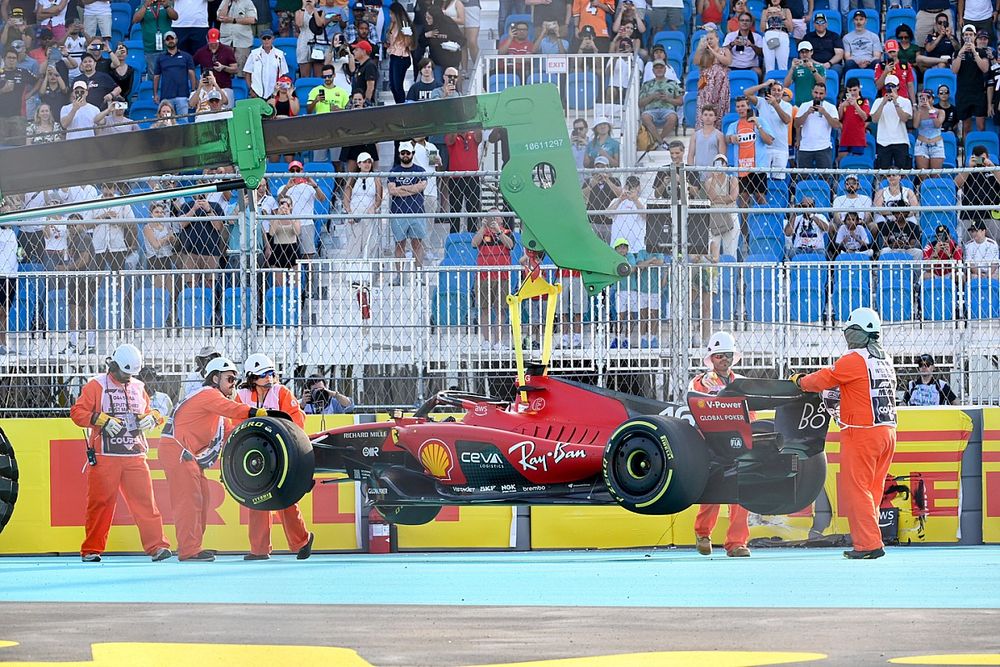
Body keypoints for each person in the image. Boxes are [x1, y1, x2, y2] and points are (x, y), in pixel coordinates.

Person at [792, 308, 897, 559]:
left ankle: (868, 545)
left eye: (850, 332)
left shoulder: (853, 359)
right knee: (872, 489)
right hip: (888, 431)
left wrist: (799, 381)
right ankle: (871, 539)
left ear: (857, 333)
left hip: (861, 434)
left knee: (856, 490)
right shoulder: (884, 360)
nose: (847, 337)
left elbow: (822, 380)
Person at [69, 343, 172, 563]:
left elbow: (149, 411)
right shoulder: (95, 385)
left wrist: (153, 417)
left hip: (135, 455)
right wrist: (101, 419)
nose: (127, 378)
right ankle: (91, 549)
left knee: (145, 503)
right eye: (125, 373)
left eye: (131, 374)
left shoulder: (138, 386)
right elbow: (77, 412)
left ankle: (157, 546)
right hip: (105, 457)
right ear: (113, 366)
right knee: (100, 503)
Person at [160, 357, 266, 562]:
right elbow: (232, 409)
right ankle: (189, 550)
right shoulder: (208, 395)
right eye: (229, 379)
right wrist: (255, 413)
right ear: (215, 378)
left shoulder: (214, 405)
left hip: (185, 453)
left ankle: (193, 546)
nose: (233, 383)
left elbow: (229, 433)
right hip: (178, 451)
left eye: (235, 379)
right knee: (189, 501)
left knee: (203, 498)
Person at [234, 354, 315, 560]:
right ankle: (259, 550)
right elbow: (233, 423)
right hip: (255, 455)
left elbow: (298, 420)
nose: (269, 378)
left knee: (286, 499)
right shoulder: (241, 395)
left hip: (282, 455)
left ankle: (302, 543)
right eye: (264, 375)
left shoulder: (281, 392)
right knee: (256, 500)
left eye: (271, 373)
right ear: (252, 377)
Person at [691, 331, 751, 558]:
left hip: (739, 443)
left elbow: (751, 414)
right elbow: (695, 399)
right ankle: (703, 533)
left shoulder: (743, 382)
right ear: (711, 359)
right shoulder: (701, 381)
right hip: (712, 442)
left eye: (727, 355)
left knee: (741, 492)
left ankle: (737, 543)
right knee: (712, 491)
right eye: (719, 356)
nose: (723, 359)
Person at [387, 140, 427, 275]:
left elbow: (422, 186)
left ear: (412, 153)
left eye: (407, 153)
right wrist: (412, 189)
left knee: (417, 244)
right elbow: (392, 191)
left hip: (417, 211)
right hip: (398, 213)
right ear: (399, 154)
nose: (405, 155)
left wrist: (402, 188)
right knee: (399, 245)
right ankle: (399, 275)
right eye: (402, 153)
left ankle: (419, 274)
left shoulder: (420, 170)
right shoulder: (394, 171)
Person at [726, 95, 773, 206]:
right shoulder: (734, 125)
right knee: (743, 201)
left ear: (748, 107)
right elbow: (727, 139)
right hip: (742, 168)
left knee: (760, 198)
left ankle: (762, 222)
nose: (740, 109)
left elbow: (769, 141)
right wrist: (731, 138)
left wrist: (758, 125)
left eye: (743, 106)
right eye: (738, 106)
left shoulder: (760, 121)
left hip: (758, 168)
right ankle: (744, 224)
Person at [952, 25, 989, 135]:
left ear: (975, 36)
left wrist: (974, 52)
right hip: (963, 93)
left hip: (978, 93)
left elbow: (985, 68)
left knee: (981, 125)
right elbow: (954, 70)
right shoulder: (957, 52)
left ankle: (981, 149)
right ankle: (967, 150)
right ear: (963, 37)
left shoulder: (982, 52)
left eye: (971, 35)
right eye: (966, 35)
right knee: (966, 126)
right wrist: (960, 53)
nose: (968, 37)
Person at [794, 82, 840, 170]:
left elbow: (836, 125)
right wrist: (807, 113)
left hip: (823, 147)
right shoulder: (804, 105)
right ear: (812, 92)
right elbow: (796, 124)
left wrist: (825, 113)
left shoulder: (830, 107)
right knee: (804, 179)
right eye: (816, 92)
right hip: (805, 148)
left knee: (825, 178)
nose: (818, 96)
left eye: (821, 93)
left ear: (825, 94)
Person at [870, 74, 913, 170]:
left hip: (901, 140)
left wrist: (895, 103)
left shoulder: (905, 101)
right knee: (883, 171)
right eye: (888, 86)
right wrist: (883, 103)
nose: (890, 89)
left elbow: (904, 118)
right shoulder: (878, 101)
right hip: (883, 141)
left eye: (893, 86)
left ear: (897, 87)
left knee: (903, 171)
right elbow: (874, 120)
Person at [638, 59, 682, 149]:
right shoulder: (646, 84)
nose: (659, 70)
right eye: (656, 68)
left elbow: (680, 102)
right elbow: (640, 103)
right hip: (650, 110)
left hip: (667, 110)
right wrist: (652, 97)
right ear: (653, 70)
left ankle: (657, 141)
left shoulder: (673, 83)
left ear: (665, 69)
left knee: (673, 117)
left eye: (661, 68)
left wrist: (668, 99)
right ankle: (661, 142)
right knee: (645, 117)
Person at [693, 26, 731, 130]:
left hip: (721, 85)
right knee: (705, 106)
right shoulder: (704, 52)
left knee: (720, 108)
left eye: (711, 38)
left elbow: (727, 62)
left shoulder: (725, 50)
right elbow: (696, 62)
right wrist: (700, 48)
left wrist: (713, 51)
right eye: (707, 39)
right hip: (706, 85)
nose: (709, 41)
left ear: (717, 39)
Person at [153, 30, 196, 118]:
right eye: (167, 39)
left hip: (183, 95)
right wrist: (156, 93)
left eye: (172, 38)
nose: (170, 41)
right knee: (166, 122)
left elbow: (191, 73)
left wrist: (193, 90)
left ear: (176, 40)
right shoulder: (160, 58)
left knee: (183, 123)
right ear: (165, 42)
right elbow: (156, 76)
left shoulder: (186, 56)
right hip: (166, 97)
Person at [244, 28, 288, 100]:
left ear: (273, 39)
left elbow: (283, 74)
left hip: (274, 92)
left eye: (269, 38)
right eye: (264, 38)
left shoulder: (280, 54)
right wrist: (251, 89)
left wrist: (278, 91)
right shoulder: (254, 54)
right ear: (261, 40)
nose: (266, 40)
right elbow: (247, 73)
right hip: (256, 92)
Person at [837, 79, 871, 159]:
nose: (852, 93)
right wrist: (842, 106)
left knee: (856, 164)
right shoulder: (843, 101)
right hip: (845, 137)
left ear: (859, 88)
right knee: (841, 161)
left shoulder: (864, 101)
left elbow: (865, 117)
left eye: (854, 90)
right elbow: (839, 118)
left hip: (858, 138)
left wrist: (855, 105)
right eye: (850, 90)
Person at [686, 104, 726, 173]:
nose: (708, 117)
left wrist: (717, 173)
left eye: (710, 115)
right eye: (705, 115)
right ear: (701, 117)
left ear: (715, 118)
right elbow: (690, 155)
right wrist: (691, 172)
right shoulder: (695, 135)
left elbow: (722, 156)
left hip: (713, 174)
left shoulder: (719, 135)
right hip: (697, 173)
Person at [785, 40, 825, 107]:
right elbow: (786, 85)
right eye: (802, 52)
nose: (804, 54)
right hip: (799, 104)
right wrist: (792, 69)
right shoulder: (796, 68)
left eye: (807, 51)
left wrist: (812, 69)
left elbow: (822, 84)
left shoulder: (819, 67)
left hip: (814, 103)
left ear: (811, 52)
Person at [913, 88, 945, 171]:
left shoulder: (940, 112)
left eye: (928, 97)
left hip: (936, 144)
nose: (925, 99)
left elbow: (937, 124)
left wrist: (930, 109)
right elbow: (915, 125)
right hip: (922, 144)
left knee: (935, 174)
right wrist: (919, 110)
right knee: (923, 174)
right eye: (922, 97)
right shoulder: (918, 112)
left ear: (933, 99)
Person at [803, 12, 844, 77]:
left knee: (837, 68)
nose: (820, 24)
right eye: (817, 22)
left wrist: (829, 63)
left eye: (822, 22)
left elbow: (839, 54)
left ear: (826, 24)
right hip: (812, 64)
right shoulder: (807, 37)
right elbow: (804, 55)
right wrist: (818, 65)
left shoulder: (834, 36)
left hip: (831, 65)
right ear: (814, 24)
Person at [759, 0, 792, 73]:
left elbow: (790, 29)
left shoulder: (786, 10)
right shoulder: (765, 11)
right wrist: (766, 17)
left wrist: (782, 16)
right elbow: (762, 29)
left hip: (782, 35)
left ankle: (783, 83)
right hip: (768, 36)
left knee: (783, 65)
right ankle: (769, 83)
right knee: (769, 66)